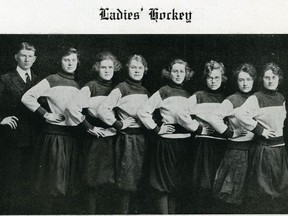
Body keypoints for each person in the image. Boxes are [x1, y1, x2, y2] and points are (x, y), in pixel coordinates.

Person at [21, 47, 81, 214]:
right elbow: (27, 97)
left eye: (73, 60)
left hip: (71, 138)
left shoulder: (76, 84)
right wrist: (45, 114)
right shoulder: (51, 79)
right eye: (66, 60)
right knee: (52, 184)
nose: (70, 63)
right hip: (54, 137)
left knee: (67, 185)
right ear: (60, 61)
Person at [138, 59, 200, 214]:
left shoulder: (188, 94)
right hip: (166, 144)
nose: (178, 74)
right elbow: (143, 112)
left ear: (187, 74)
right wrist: (157, 128)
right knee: (162, 183)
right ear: (169, 73)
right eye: (175, 71)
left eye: (181, 71)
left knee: (176, 184)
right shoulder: (163, 91)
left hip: (184, 143)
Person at [66, 52, 122, 214]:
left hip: (111, 139)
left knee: (108, 180)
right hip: (94, 141)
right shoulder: (91, 86)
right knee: (92, 180)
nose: (107, 70)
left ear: (115, 68)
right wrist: (89, 127)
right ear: (97, 68)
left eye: (110, 67)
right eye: (103, 67)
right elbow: (71, 107)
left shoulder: (116, 88)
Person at [97, 54, 150, 214]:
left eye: (140, 68)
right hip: (127, 140)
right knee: (126, 181)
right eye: (133, 67)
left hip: (142, 139)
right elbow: (102, 109)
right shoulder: (121, 88)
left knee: (139, 178)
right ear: (128, 69)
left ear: (145, 70)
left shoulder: (145, 90)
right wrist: (118, 124)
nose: (137, 71)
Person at [235, 62, 288, 213]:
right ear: (262, 79)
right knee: (264, 192)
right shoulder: (256, 97)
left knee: (281, 191)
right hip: (264, 150)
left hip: (279, 150)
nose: (270, 80)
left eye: (274, 77)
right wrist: (260, 130)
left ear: (279, 79)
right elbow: (240, 114)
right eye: (267, 77)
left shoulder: (281, 97)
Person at [206, 63, 257, 213]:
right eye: (241, 80)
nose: (245, 83)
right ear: (237, 81)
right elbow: (213, 117)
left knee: (249, 195)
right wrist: (230, 133)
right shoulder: (232, 99)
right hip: (236, 153)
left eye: (248, 79)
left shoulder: (256, 98)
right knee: (232, 194)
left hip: (254, 151)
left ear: (254, 80)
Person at [177, 60, 227, 213]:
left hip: (222, 146)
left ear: (222, 78)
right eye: (210, 77)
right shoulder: (198, 96)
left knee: (218, 184)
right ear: (205, 78)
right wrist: (198, 128)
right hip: (203, 147)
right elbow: (181, 113)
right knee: (202, 184)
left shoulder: (226, 98)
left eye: (217, 78)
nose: (213, 81)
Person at [0, 42, 39, 214]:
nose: (27, 59)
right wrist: (1, 119)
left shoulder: (39, 80)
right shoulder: (5, 79)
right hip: (13, 139)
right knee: (11, 181)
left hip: (35, 138)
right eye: (23, 55)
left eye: (30, 56)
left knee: (30, 180)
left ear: (35, 59)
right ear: (16, 57)